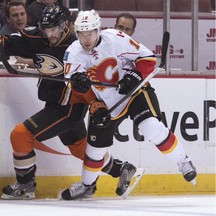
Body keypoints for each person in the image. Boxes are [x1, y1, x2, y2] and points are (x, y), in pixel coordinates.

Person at [0, 4, 137, 200]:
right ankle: (122, 169)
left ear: (64, 25)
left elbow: (90, 82)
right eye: (47, 29)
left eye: (54, 29)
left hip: (69, 107)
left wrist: (94, 102)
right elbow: (1, 45)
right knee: (80, 148)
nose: (50, 34)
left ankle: (25, 184)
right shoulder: (37, 37)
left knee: (21, 135)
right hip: (55, 103)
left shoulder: (78, 46)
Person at [61, 10, 197, 200]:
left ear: (98, 29)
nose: (85, 39)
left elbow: (148, 59)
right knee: (94, 149)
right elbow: (73, 84)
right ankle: (87, 186)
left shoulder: (116, 39)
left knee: (151, 127)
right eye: (81, 34)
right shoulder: (73, 52)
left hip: (132, 93)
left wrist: (133, 77)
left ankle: (183, 161)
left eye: (89, 33)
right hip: (105, 103)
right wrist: (82, 86)